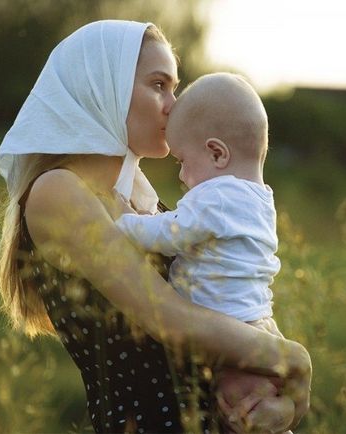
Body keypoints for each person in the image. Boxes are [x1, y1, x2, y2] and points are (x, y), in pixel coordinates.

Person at [0, 20, 311, 434]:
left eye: (174, 87)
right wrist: (295, 360)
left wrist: (279, 402)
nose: (173, 104)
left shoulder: (142, 199)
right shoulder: (58, 190)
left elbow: (229, 303)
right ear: (101, 87)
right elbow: (169, 319)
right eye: (158, 85)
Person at [113, 72, 297, 433]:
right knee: (255, 411)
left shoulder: (218, 195)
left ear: (216, 153)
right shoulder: (259, 198)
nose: (181, 175)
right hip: (255, 321)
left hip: (229, 329)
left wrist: (126, 221)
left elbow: (171, 234)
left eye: (183, 160)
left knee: (238, 411)